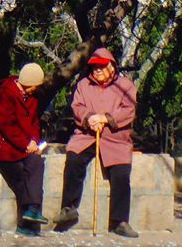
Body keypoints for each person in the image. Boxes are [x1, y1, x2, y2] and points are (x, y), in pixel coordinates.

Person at [54, 47, 139, 238]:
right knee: (74, 160)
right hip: (87, 135)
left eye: (102, 66)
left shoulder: (125, 85)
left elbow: (128, 110)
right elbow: (77, 106)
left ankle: (120, 221)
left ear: (112, 66)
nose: (98, 70)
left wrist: (106, 118)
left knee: (121, 174)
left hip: (116, 139)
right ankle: (68, 208)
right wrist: (89, 118)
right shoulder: (83, 85)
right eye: (94, 67)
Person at [0, 62, 49, 238]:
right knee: (23, 177)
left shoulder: (32, 97)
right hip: (1, 147)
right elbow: (6, 124)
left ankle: (33, 210)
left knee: (36, 164)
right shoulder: (5, 94)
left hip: (21, 145)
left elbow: (33, 123)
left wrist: (34, 142)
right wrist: (25, 144)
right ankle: (27, 225)